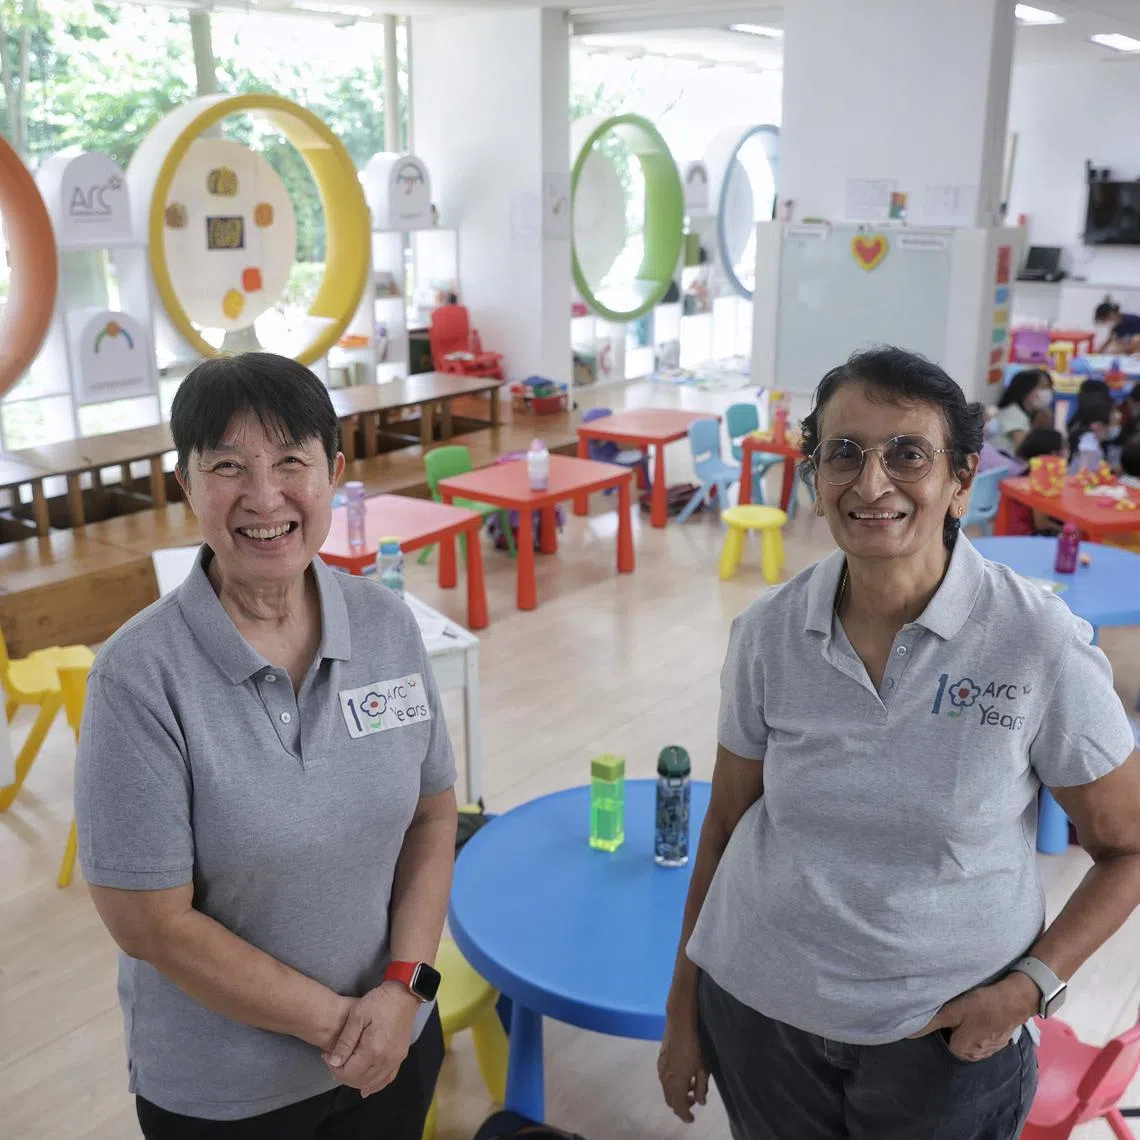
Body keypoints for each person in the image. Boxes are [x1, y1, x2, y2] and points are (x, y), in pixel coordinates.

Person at [658, 346, 1140, 1140]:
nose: (872, 483)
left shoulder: (1034, 641)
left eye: (908, 453)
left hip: (943, 1044)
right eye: (842, 453)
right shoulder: (767, 635)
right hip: (760, 1015)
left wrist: (1029, 990)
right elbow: (726, 826)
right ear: (815, 473)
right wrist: (683, 1010)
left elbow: (1126, 847)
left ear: (961, 480)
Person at [75, 353, 458, 1139]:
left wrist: (403, 991)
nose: (264, 495)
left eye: (291, 461)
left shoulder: (386, 627)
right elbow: (151, 924)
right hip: (229, 1097)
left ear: (334, 472)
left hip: (394, 1048)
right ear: (185, 484)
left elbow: (431, 813)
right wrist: (342, 1025)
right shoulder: (137, 677)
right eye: (228, 466)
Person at [1005, 428, 1065, 536]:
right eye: (1063, 449)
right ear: (1054, 454)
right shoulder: (1040, 481)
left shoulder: (1026, 474)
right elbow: (1041, 524)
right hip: (1027, 536)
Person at [991, 368, 1053, 456]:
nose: (1047, 393)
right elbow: (1026, 450)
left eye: (1049, 388)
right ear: (1026, 389)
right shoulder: (1012, 414)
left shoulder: (1029, 414)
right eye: (1042, 387)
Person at [1065, 384, 1117, 463]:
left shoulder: (1089, 438)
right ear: (1098, 425)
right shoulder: (1087, 447)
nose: (1118, 417)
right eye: (1113, 414)